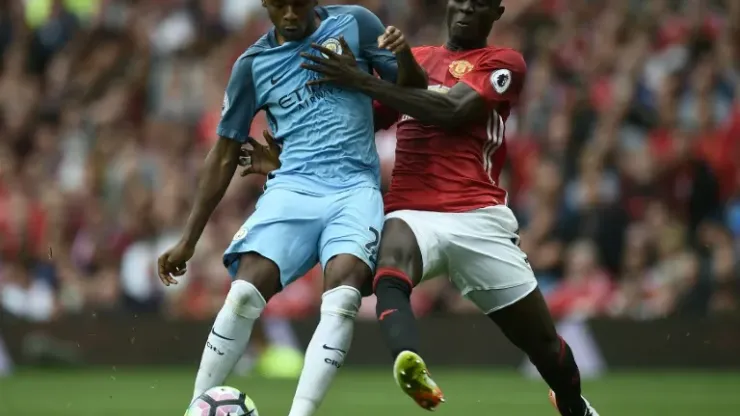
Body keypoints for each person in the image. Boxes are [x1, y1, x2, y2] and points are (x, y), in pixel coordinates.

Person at [275, 1, 601, 415]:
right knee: (391, 259)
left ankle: (573, 405)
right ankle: (408, 360)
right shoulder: (414, 59)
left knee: (545, 347)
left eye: (478, 4)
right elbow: (360, 123)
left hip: (478, 216)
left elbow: (453, 111)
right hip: (412, 209)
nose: (465, 9)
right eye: (459, 0)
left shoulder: (503, 62)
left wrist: (361, 80)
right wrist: (289, 150)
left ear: (496, 13)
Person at [156, 1, 426, 416]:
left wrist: (397, 58)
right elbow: (224, 153)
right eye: (278, 5)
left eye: (297, 3)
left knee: (344, 292)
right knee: (244, 292)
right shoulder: (253, 65)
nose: (289, 14)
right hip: (293, 188)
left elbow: (414, 92)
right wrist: (188, 240)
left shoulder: (355, 23)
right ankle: (197, 408)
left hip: (354, 188)